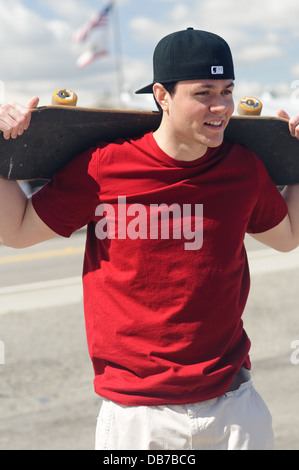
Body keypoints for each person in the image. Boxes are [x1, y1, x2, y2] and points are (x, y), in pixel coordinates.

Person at [1, 28, 299, 451]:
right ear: (162, 95)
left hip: (234, 408)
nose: (221, 107)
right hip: (140, 419)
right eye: (204, 92)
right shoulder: (104, 166)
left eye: (227, 90)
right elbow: (15, 229)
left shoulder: (242, 168)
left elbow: (288, 236)